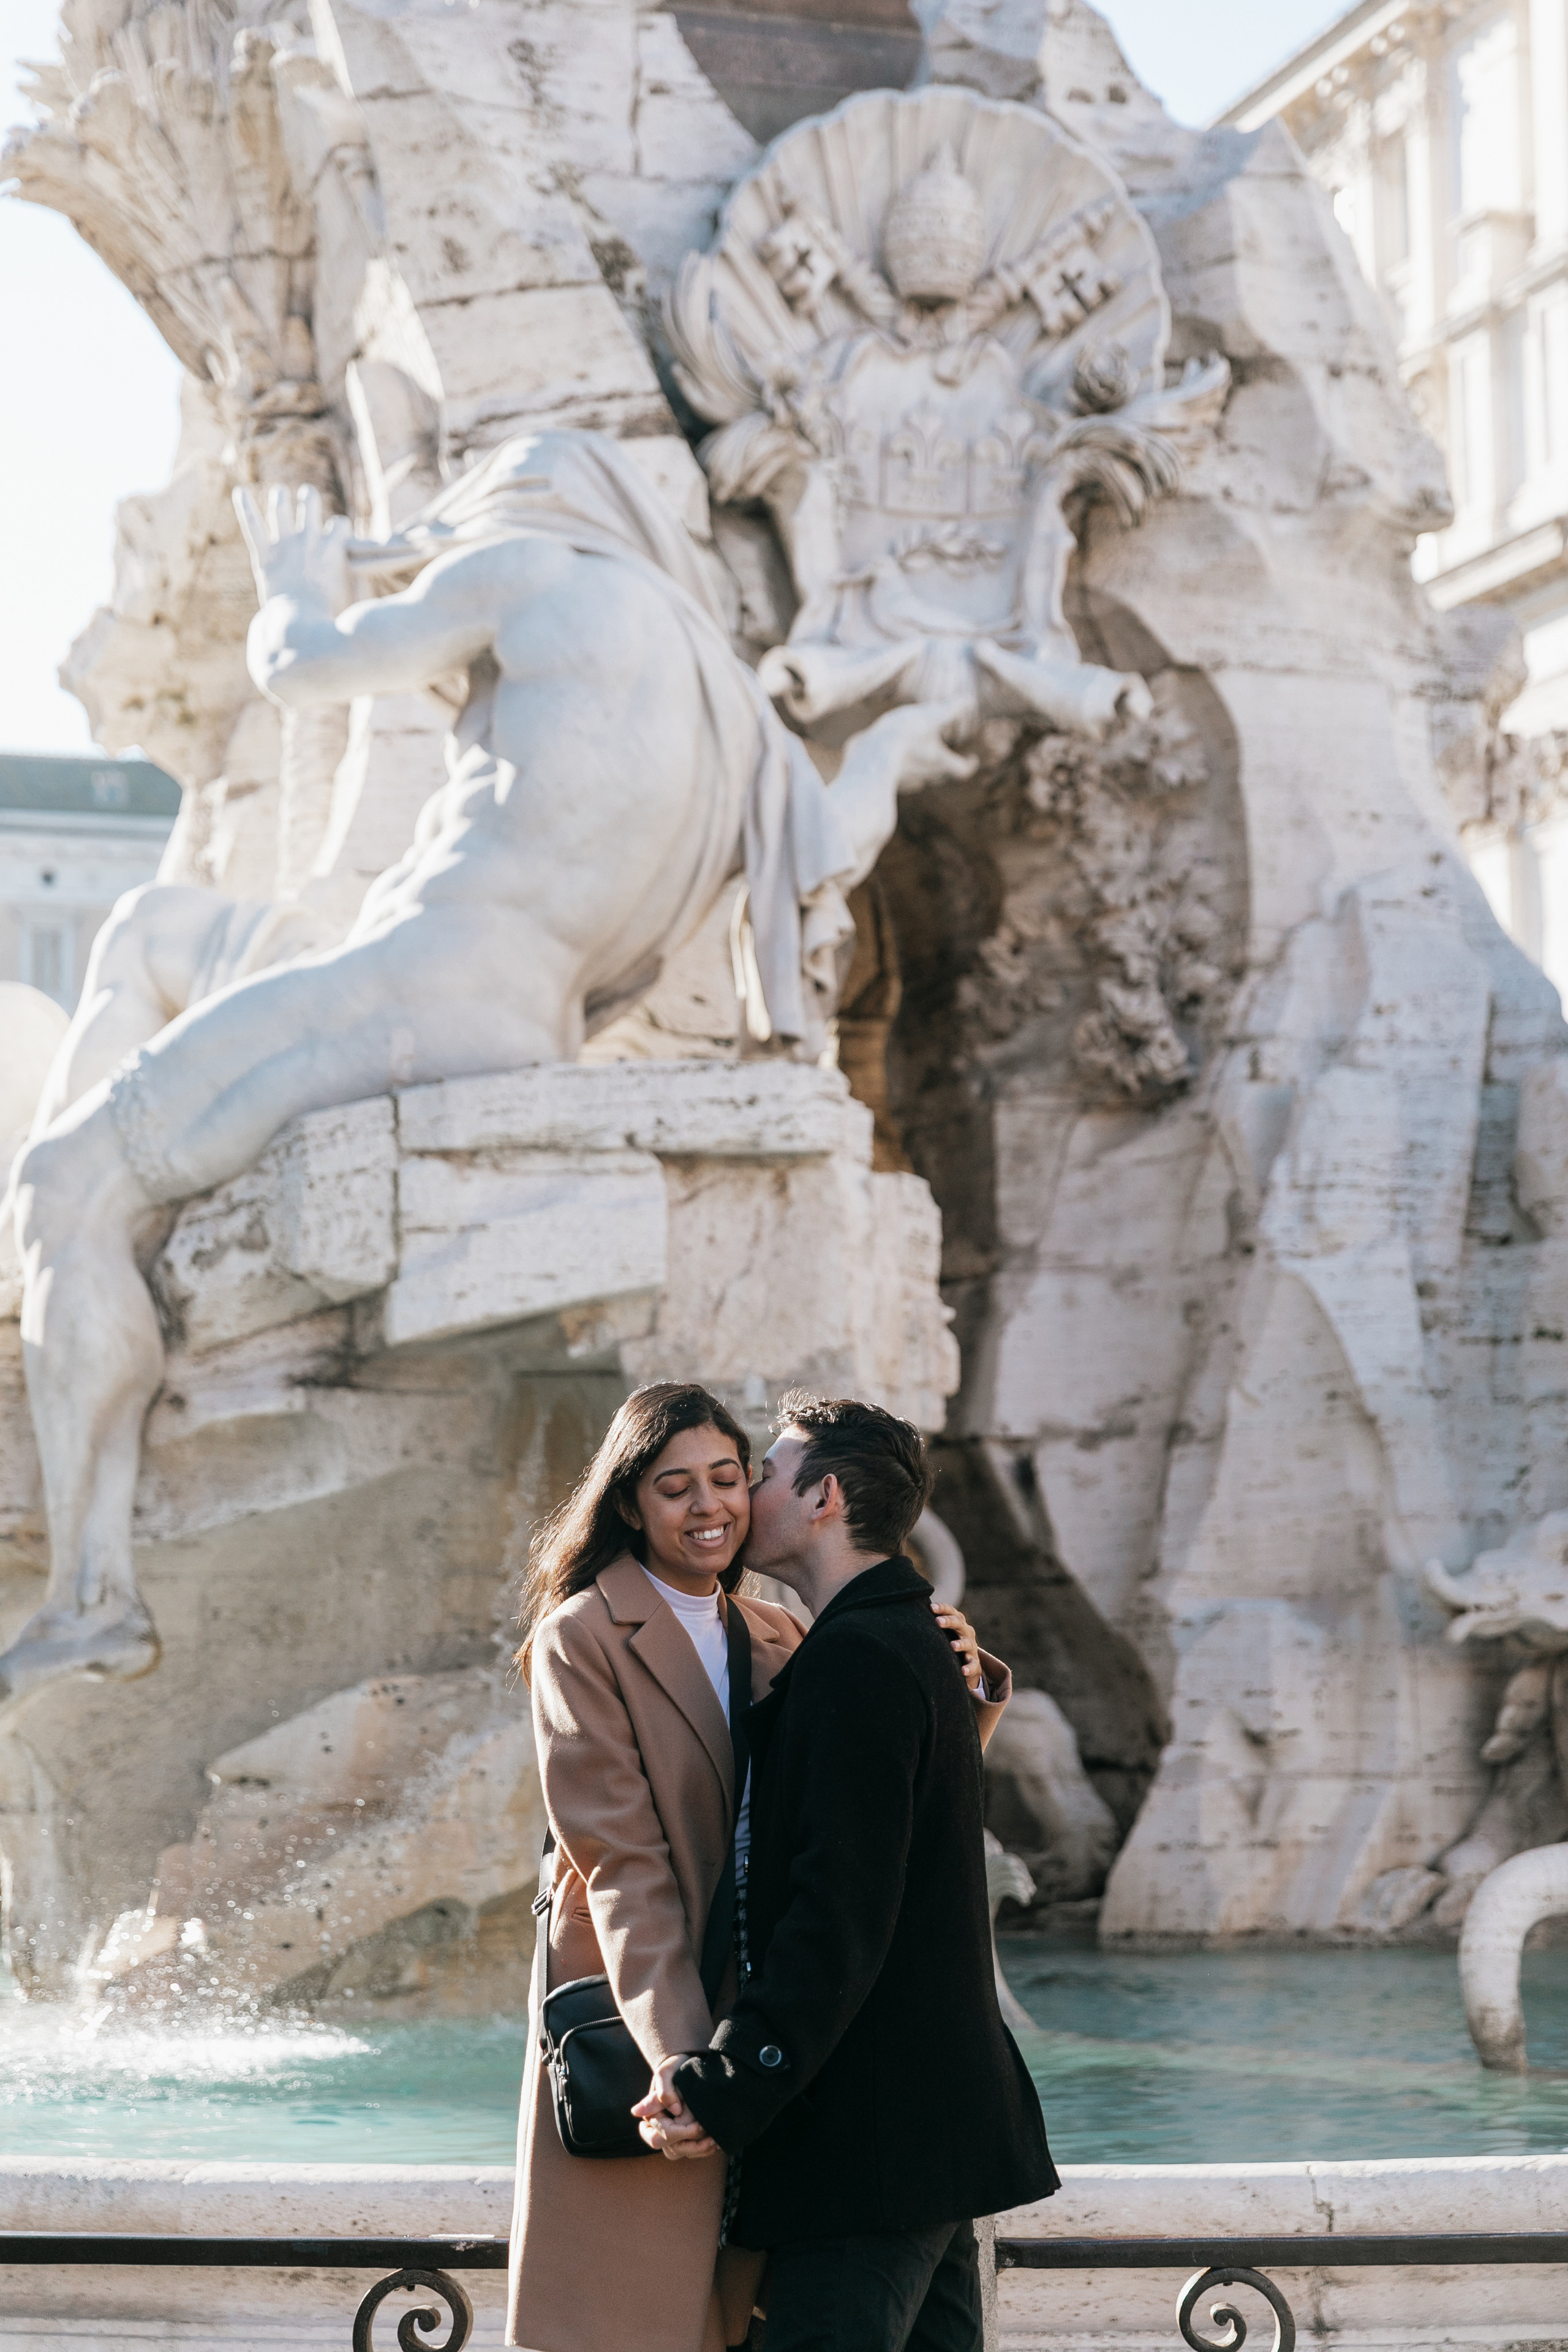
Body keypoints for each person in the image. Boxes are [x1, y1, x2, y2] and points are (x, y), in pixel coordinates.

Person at [508, 1381, 1010, 2352]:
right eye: (675, 1487)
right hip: (659, 2024)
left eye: (731, 1477)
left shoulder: (780, 1631)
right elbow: (620, 1865)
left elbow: (875, 1804)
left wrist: (958, 1678)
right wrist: (684, 2061)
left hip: (778, 2043)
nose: (711, 1506)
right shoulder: (581, 1637)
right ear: (629, 1504)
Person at [635, 1393, 1057, 2352]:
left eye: (764, 1475)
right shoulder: (901, 1638)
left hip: (875, 2144)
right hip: (925, 2135)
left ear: (823, 1498)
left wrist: (731, 2080)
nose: (744, 1497)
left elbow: (840, 1912)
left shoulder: (861, 1656)